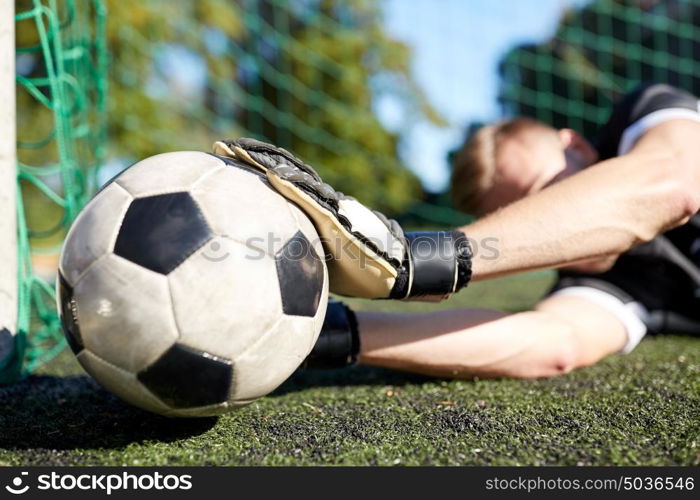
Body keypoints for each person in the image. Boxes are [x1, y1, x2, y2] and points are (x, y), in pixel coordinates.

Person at [299, 83, 700, 379]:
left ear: (576, 147)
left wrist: (413, 261)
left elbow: (672, 184)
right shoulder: (599, 282)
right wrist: (321, 331)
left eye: (546, 197)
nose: (543, 229)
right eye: (521, 220)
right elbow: (553, 342)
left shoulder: (648, 113)